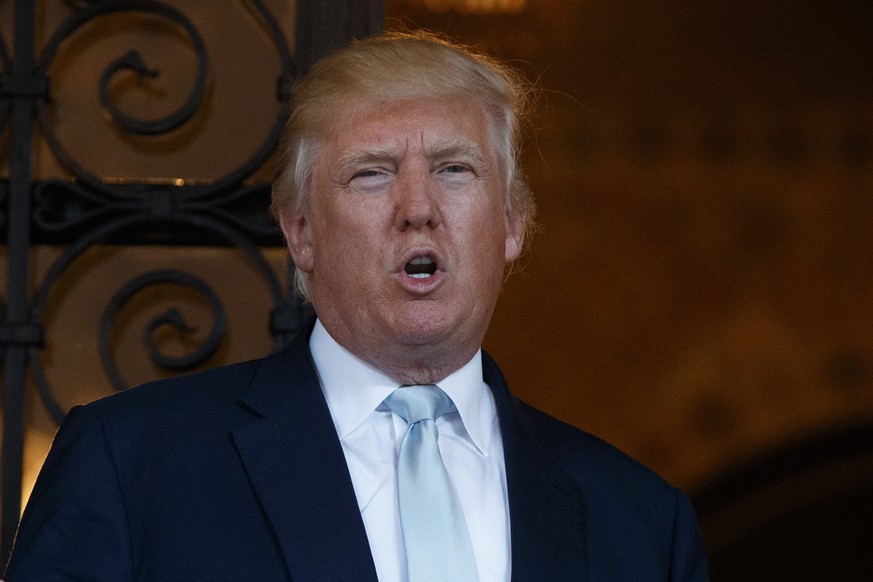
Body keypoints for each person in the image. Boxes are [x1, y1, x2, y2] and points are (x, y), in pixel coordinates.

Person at [4, 31, 709, 581]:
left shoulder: (640, 521)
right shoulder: (131, 464)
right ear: (300, 231)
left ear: (514, 225)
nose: (416, 210)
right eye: (371, 175)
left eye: (454, 170)